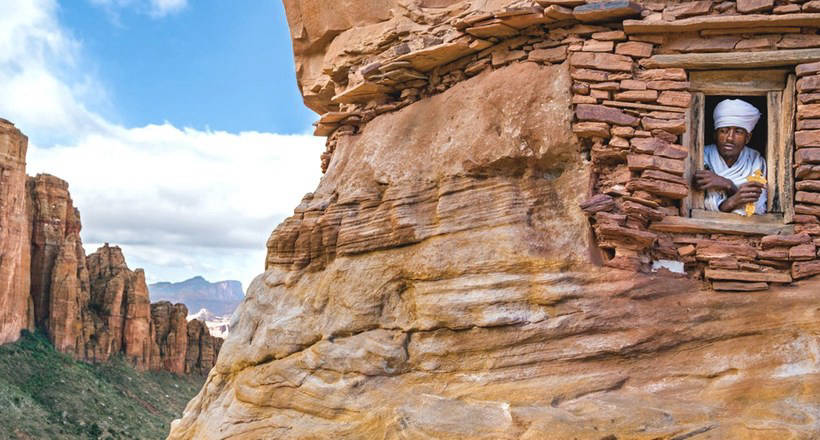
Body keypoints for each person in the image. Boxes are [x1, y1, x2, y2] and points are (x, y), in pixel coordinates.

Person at [693, 99, 767, 215]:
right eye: (723, 131)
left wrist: (728, 185)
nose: (730, 138)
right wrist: (735, 198)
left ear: (747, 138)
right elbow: (699, 204)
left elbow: (756, 208)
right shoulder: (701, 156)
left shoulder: (755, 161)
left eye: (738, 132)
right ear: (715, 135)